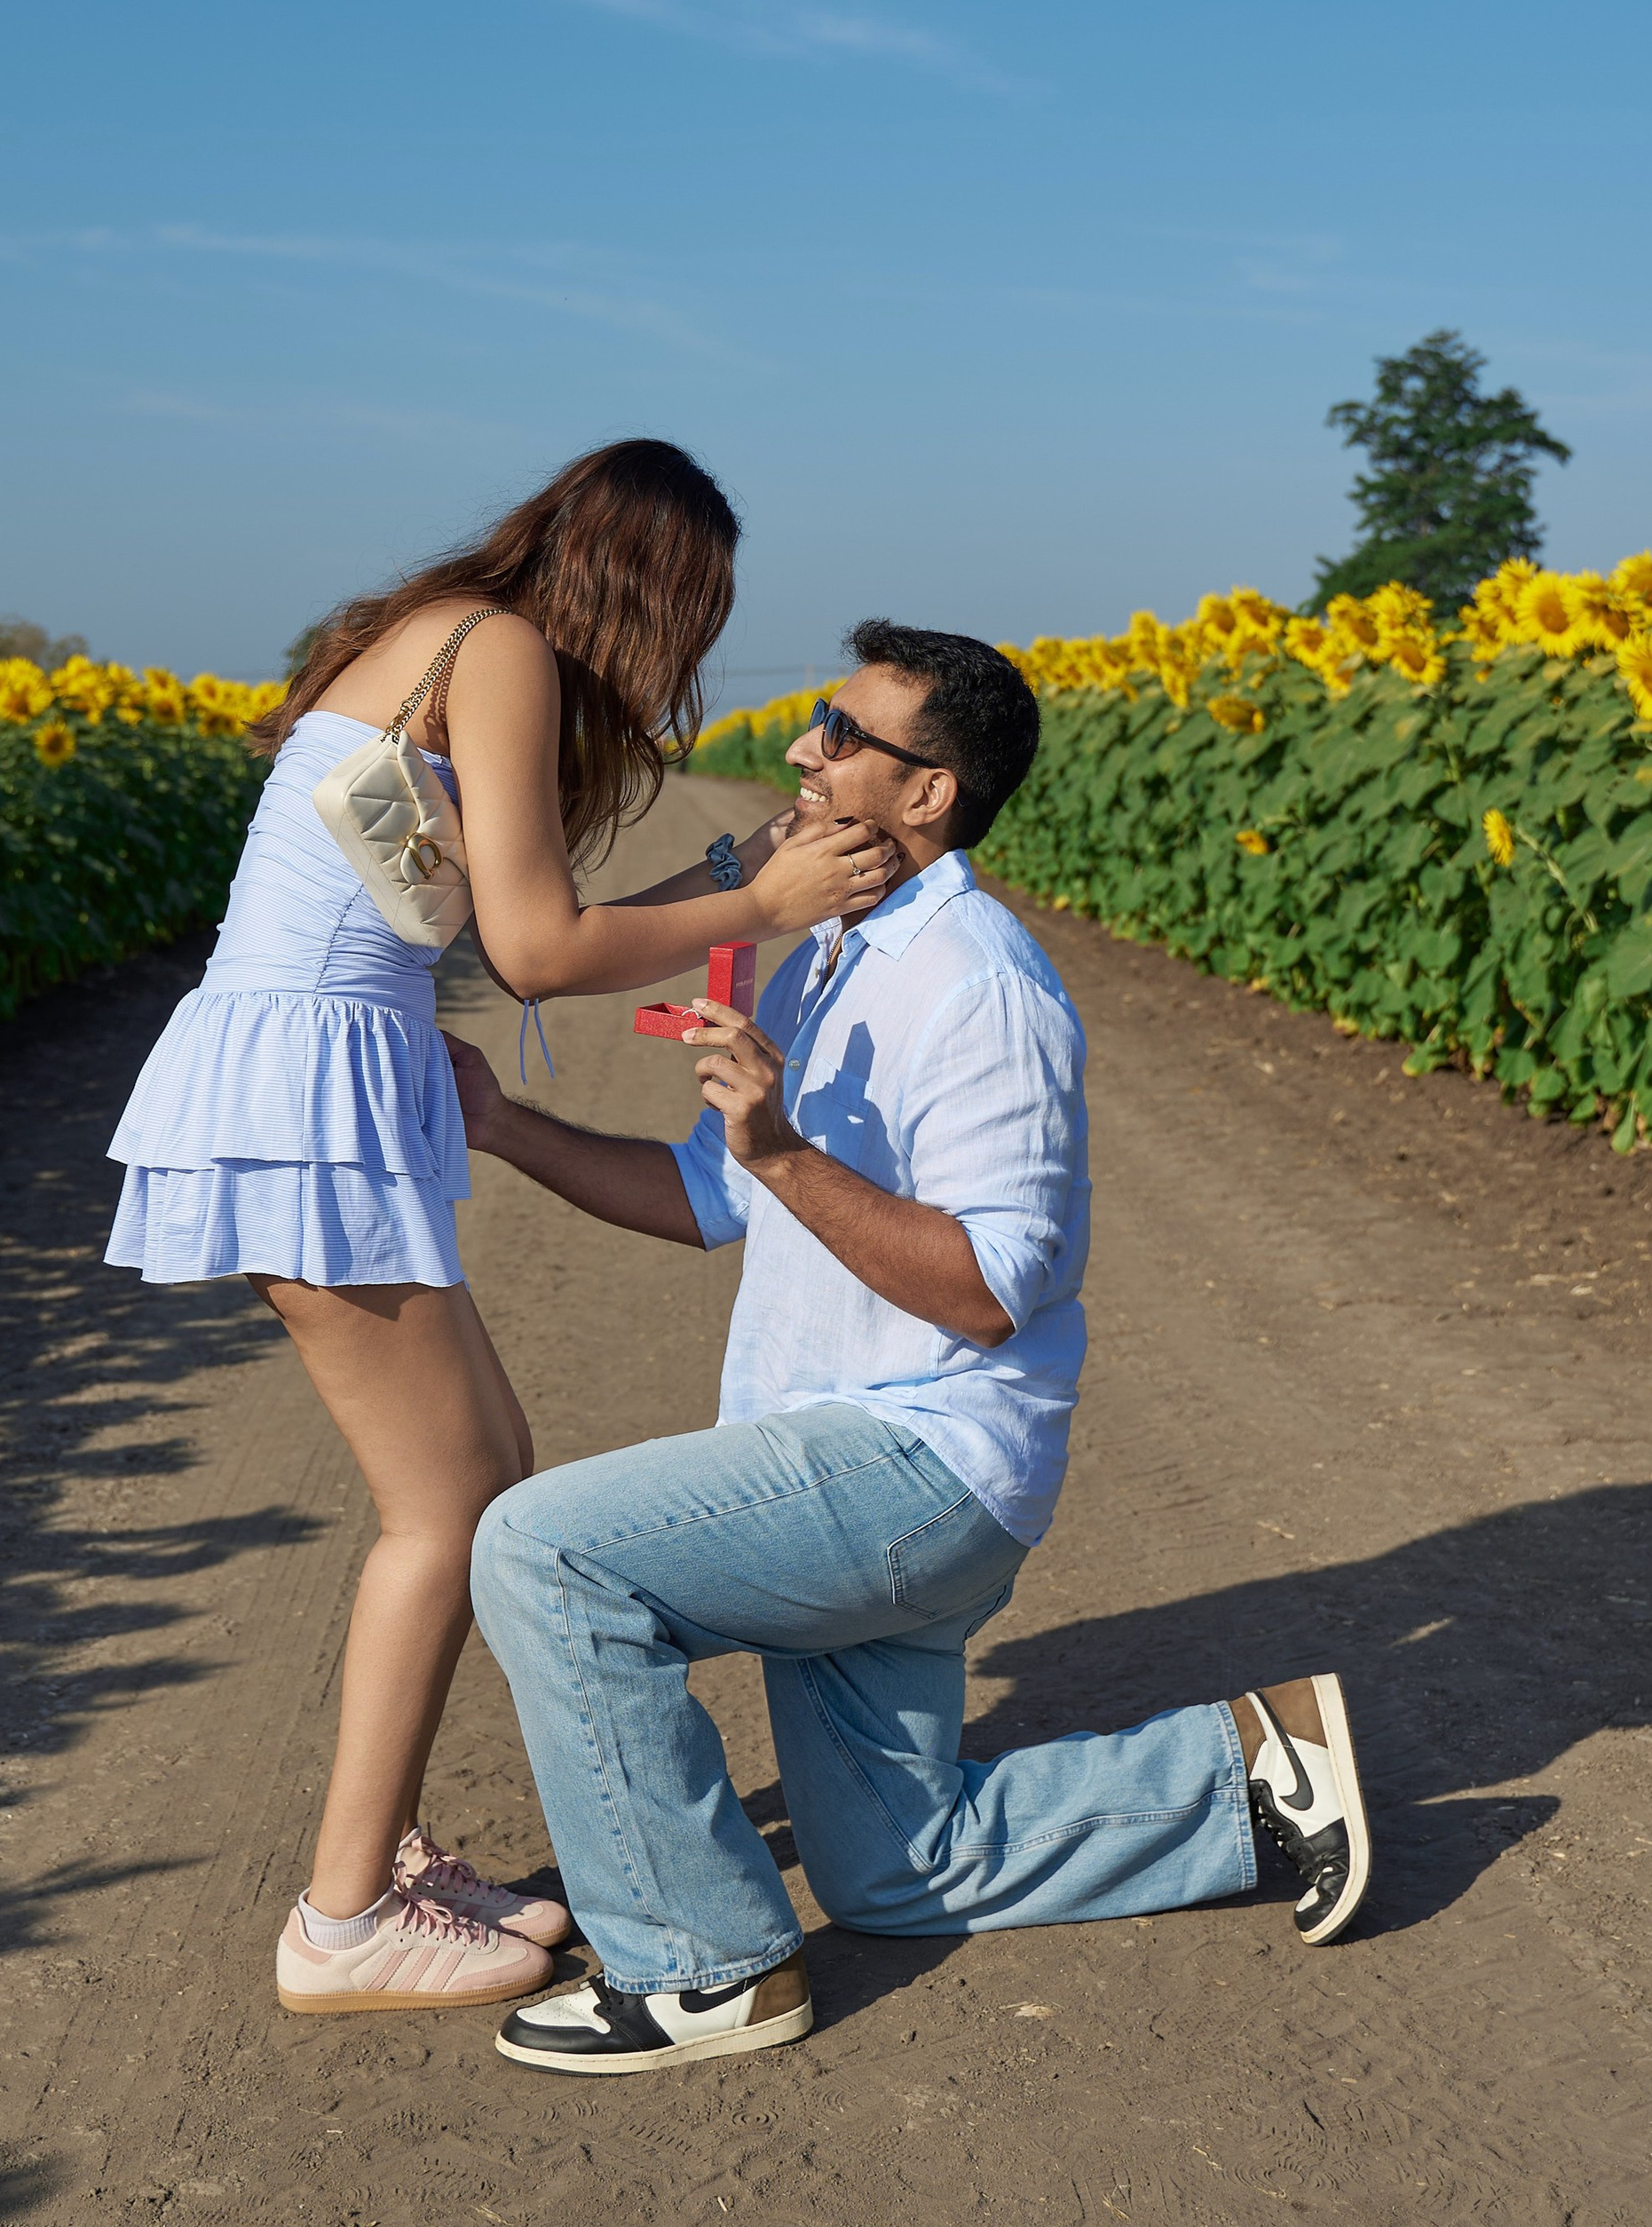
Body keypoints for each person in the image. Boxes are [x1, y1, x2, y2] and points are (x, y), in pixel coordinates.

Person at [449, 620, 1372, 2075]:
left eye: (837, 731)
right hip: (831, 1449)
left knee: (544, 1551)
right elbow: (708, 1195)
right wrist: (503, 1126)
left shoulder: (980, 986)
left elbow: (993, 1292)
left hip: (921, 1463)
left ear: (927, 793)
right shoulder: (819, 955)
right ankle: (1249, 1775)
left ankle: (703, 1972)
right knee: (895, 1870)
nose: (803, 752)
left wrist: (785, 1149)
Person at [103, 443, 897, 2016]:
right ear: (645, 582)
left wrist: (748, 869)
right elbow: (538, 951)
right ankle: (342, 1923)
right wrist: (766, 911)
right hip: (309, 1082)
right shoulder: (507, 651)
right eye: (697, 611)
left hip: (310, 1067)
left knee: (471, 1486)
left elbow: (504, 925)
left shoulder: (443, 631)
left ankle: (377, 1868)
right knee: (453, 1504)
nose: (687, 656)